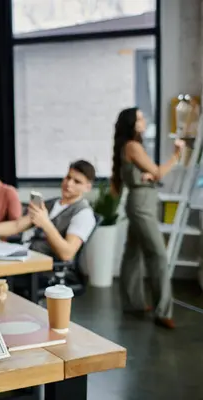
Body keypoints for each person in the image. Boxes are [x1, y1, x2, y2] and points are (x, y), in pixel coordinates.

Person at [111, 107, 185, 329]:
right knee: (158, 255)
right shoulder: (133, 146)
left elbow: (150, 173)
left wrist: (149, 175)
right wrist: (176, 155)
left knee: (133, 253)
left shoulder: (129, 146)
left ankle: (133, 303)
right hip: (142, 204)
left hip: (141, 201)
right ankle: (163, 311)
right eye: (140, 118)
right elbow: (159, 172)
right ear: (131, 123)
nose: (143, 121)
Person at [0, 160, 97, 262]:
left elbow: (67, 254)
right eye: (68, 177)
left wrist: (45, 223)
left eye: (77, 182)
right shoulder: (49, 204)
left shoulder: (83, 214)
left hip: (43, 266)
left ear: (87, 187)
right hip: (24, 255)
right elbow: (16, 226)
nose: (69, 184)